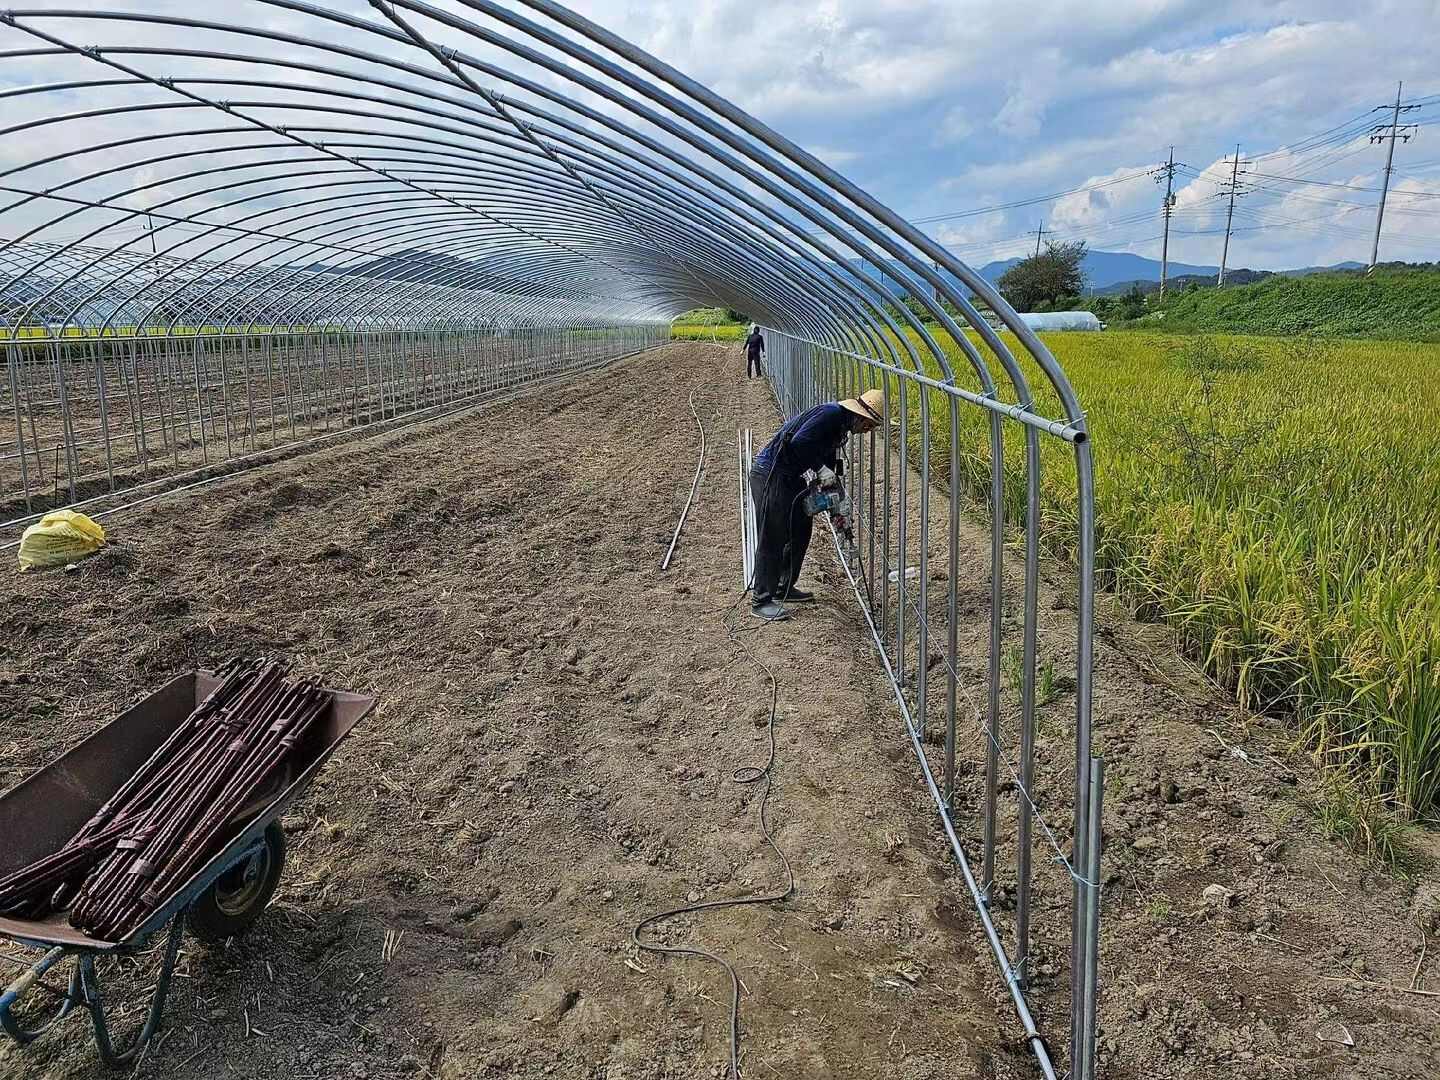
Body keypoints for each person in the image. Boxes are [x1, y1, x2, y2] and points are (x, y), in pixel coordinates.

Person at [748, 388, 885, 621]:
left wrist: (835, 504)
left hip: (792, 476)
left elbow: (829, 464)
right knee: (773, 534)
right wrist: (821, 469)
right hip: (772, 473)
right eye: (869, 425)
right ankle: (761, 599)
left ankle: (783, 587)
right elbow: (799, 443)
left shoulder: (841, 428)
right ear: (861, 416)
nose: (868, 431)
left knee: (801, 530)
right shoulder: (830, 415)